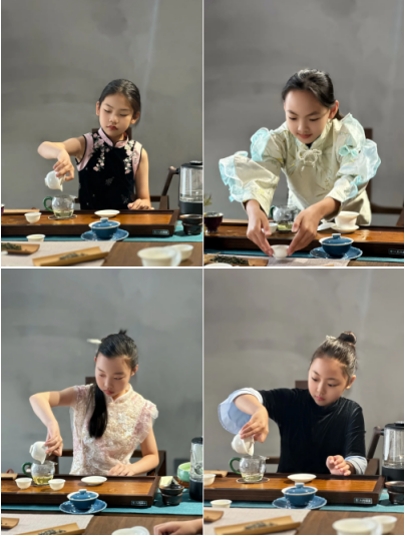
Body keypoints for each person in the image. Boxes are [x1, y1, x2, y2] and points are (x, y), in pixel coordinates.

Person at [219, 69, 381, 255]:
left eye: (313, 118)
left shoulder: (346, 135)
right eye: (293, 117)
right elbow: (260, 175)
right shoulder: (279, 139)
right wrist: (254, 209)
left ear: (332, 110)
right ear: (284, 108)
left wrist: (318, 210)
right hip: (302, 228)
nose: (302, 127)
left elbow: (350, 178)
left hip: (350, 228)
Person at [219, 332, 366, 476]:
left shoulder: (351, 411)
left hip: (330, 488)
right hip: (286, 487)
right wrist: (258, 409)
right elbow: (241, 396)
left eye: (331, 384)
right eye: (315, 379)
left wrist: (345, 466)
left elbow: (358, 458)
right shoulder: (291, 401)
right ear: (309, 369)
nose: (320, 390)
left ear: (349, 382)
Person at [29, 330, 159, 476]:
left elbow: (152, 455)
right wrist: (52, 425)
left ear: (133, 370)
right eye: (101, 374)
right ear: (96, 361)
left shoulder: (142, 408)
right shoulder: (83, 396)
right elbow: (37, 398)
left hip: (118, 484)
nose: (107, 384)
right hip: (79, 485)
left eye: (117, 378)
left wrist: (131, 469)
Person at [38, 79, 153, 210]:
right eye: (107, 110)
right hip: (88, 221)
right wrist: (61, 152)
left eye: (122, 114)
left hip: (124, 222)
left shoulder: (138, 153)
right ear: (98, 108)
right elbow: (43, 147)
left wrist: (142, 203)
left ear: (134, 117)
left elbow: (145, 199)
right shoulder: (86, 144)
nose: (113, 119)